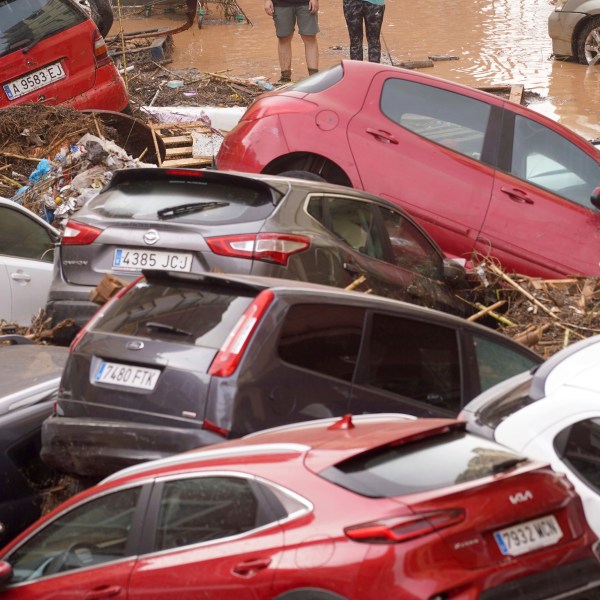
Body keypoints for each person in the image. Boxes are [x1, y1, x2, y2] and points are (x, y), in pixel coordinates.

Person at [264, 0, 319, 84]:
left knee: (309, 37)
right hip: (280, 3)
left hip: (306, 3)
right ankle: (285, 78)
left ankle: (314, 77)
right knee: (283, 38)